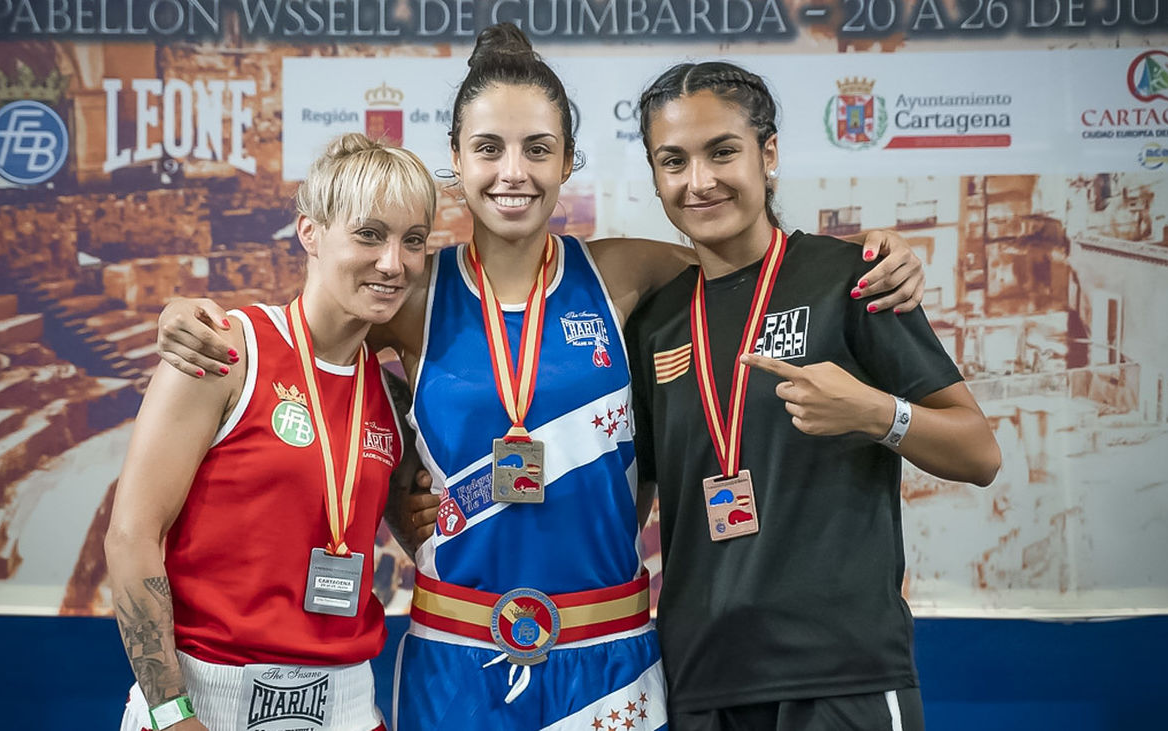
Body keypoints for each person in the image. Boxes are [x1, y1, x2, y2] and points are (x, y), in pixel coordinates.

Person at [154, 25, 929, 730]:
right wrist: (190, 315)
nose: (512, 172)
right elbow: (314, 352)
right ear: (456, 159)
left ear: (567, 161)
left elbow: (759, 264)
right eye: (488, 148)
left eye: (536, 148)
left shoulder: (626, 274)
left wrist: (872, 251)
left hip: (611, 653)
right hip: (456, 651)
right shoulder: (413, 296)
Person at [622, 62, 1002, 730]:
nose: (698, 181)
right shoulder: (656, 323)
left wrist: (876, 413)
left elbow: (979, 452)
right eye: (673, 160)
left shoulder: (851, 280)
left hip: (840, 673)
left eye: (722, 152)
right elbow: (631, 500)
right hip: (699, 678)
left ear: (767, 155)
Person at [105, 132, 436, 731]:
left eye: (412, 240)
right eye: (369, 234)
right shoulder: (227, 350)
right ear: (310, 232)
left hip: (349, 709)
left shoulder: (389, 395)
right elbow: (131, 535)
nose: (393, 262)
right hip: (206, 705)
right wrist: (171, 712)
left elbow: (422, 531)